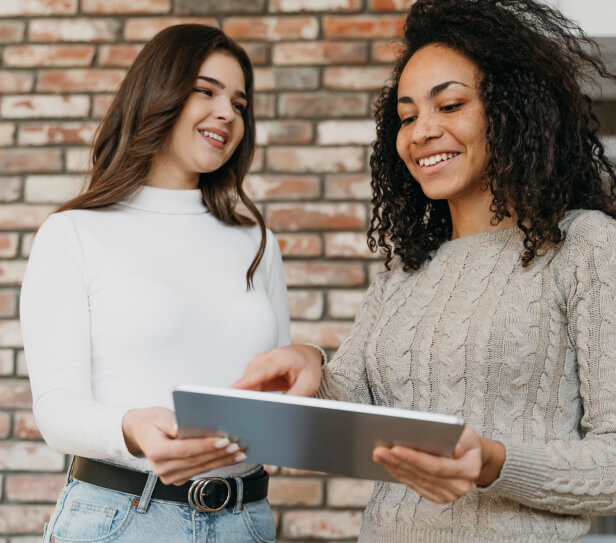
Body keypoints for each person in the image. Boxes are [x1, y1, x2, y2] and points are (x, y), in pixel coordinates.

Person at [234, 0, 616, 541]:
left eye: (451, 105)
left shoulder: (585, 246)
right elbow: (357, 411)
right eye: (408, 116)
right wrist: (309, 367)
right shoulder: (406, 269)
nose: (421, 132)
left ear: (514, 111)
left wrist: (491, 462)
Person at [20, 24, 319, 543]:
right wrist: (132, 427)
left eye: (240, 103)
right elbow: (56, 409)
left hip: (245, 520)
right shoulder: (73, 233)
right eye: (206, 91)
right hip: (121, 519)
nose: (228, 112)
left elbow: (276, 401)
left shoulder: (256, 243)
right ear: (157, 96)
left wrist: (311, 370)